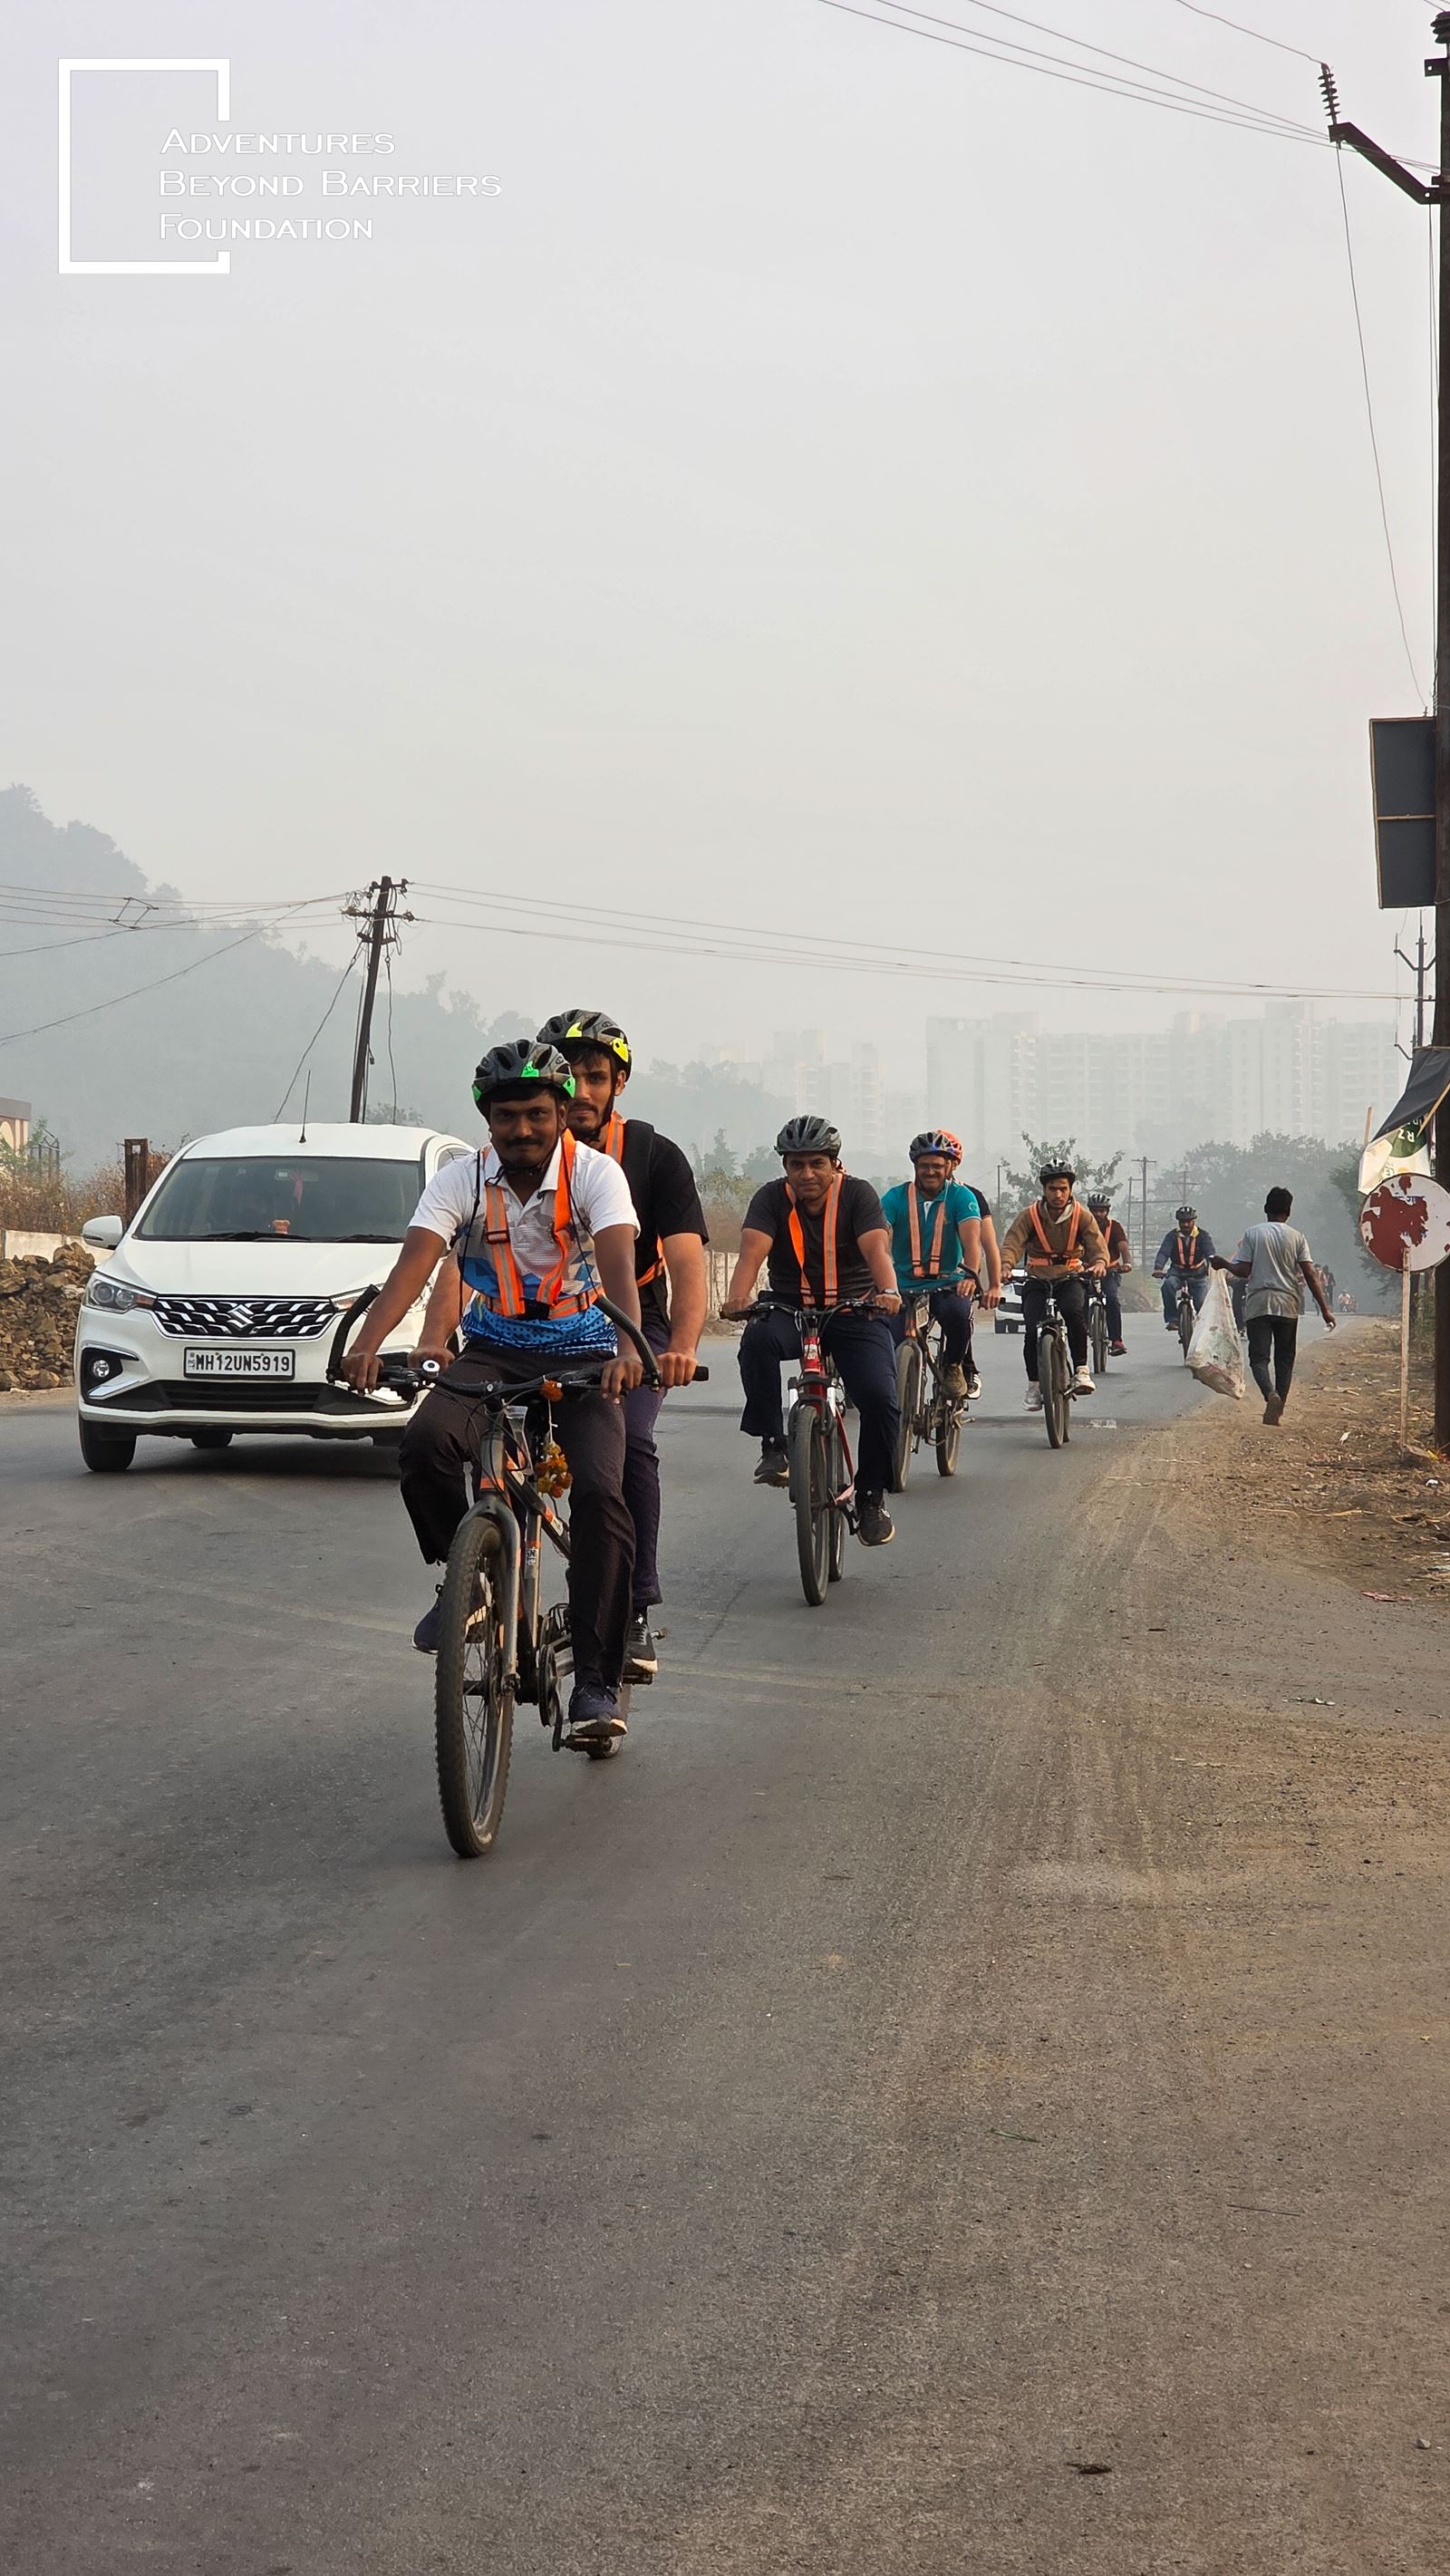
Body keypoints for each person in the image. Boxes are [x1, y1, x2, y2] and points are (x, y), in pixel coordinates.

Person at [341, 1038, 643, 1746]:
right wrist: (366, 1344)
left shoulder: (596, 1175)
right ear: (487, 1120)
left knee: (601, 1496)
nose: (522, 1129)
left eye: (537, 1114)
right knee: (425, 1443)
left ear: (562, 1114)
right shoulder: (461, 1181)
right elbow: (413, 1267)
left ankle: (596, 1683)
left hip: (586, 1350)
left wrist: (631, 1347)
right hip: (494, 1348)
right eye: (506, 1116)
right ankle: (469, 1579)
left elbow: (618, 1262)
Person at [535, 1009, 708, 1684]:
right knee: (479, 1427)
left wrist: (681, 1347)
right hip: (538, 1323)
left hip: (632, 1323)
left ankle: (632, 1604)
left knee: (629, 1441)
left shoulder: (654, 1157)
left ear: (619, 1084)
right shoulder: (517, 1146)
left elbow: (687, 1263)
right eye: (567, 1076)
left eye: (595, 1077)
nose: (580, 1090)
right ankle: (477, 1574)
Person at [721, 1115, 902, 1545]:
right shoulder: (770, 1199)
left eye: (816, 1163)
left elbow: (876, 1249)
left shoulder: (858, 1194)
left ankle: (871, 1497)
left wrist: (889, 1291)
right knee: (757, 1340)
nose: (806, 1173)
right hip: (791, 1308)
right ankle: (773, 1444)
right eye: (796, 1164)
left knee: (880, 1398)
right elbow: (752, 1252)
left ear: (834, 1163)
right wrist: (737, 1297)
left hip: (854, 1310)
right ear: (785, 1166)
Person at [1212, 1186, 1335, 1424]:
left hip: (1259, 1303)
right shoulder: (1297, 1237)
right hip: (1288, 1304)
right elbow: (1310, 1274)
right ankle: (1278, 1411)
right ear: (1288, 1212)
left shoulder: (1253, 1234)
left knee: (1259, 1358)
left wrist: (1223, 1263)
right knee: (1284, 1360)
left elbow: (1243, 1271)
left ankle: (1270, 1395)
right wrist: (1325, 1309)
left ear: (1266, 1209)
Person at [880, 1131, 982, 1400]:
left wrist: (970, 1277)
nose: (930, 1171)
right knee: (887, 1335)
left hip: (947, 1283)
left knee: (959, 1316)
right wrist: (878, 1278)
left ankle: (953, 1365)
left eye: (937, 1166)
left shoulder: (961, 1197)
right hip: (903, 1285)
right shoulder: (895, 1197)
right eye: (924, 1165)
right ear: (915, 1166)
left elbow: (972, 1244)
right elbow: (879, 1239)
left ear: (949, 1166)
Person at [997, 1164, 1109, 1407]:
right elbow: (1012, 1243)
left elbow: (1097, 1245)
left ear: (1070, 1190)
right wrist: (1005, 1266)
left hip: (1070, 1276)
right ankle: (1034, 1386)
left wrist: (1100, 1262)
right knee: (1031, 1329)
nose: (1058, 1194)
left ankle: (1081, 1370)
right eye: (1052, 1189)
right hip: (1037, 1278)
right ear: (1044, 1190)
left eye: (1062, 1189)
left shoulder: (1082, 1216)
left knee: (1073, 1312)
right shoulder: (1029, 1215)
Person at [956, 1149, 1003, 1397]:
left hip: (960, 1274)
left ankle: (967, 1367)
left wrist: (994, 1285)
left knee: (959, 1313)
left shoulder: (970, 1196)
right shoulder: (908, 1197)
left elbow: (988, 1245)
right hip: (916, 1276)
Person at [1154, 1204, 1215, 1330]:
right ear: (1178, 1222)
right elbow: (1164, 1252)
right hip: (1177, 1272)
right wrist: (1158, 1268)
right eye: (1182, 1222)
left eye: (1188, 1221)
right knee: (1167, 1285)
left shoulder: (1203, 1236)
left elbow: (1210, 1253)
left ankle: (1204, 1326)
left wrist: (1212, 1267)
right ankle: (1173, 1319)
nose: (1185, 1225)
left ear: (1194, 1221)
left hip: (1198, 1274)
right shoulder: (1172, 1236)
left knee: (1201, 1303)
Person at [1086, 1190, 1132, 1355]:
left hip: (1110, 1270)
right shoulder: (1081, 1226)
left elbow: (1123, 1247)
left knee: (1112, 1299)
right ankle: (1082, 1327)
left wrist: (1127, 1263)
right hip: (1086, 1269)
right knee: (1078, 1297)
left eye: (1102, 1211)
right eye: (1095, 1210)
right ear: (1089, 1211)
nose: (1098, 1214)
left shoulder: (1115, 1227)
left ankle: (1116, 1340)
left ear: (1107, 1211)